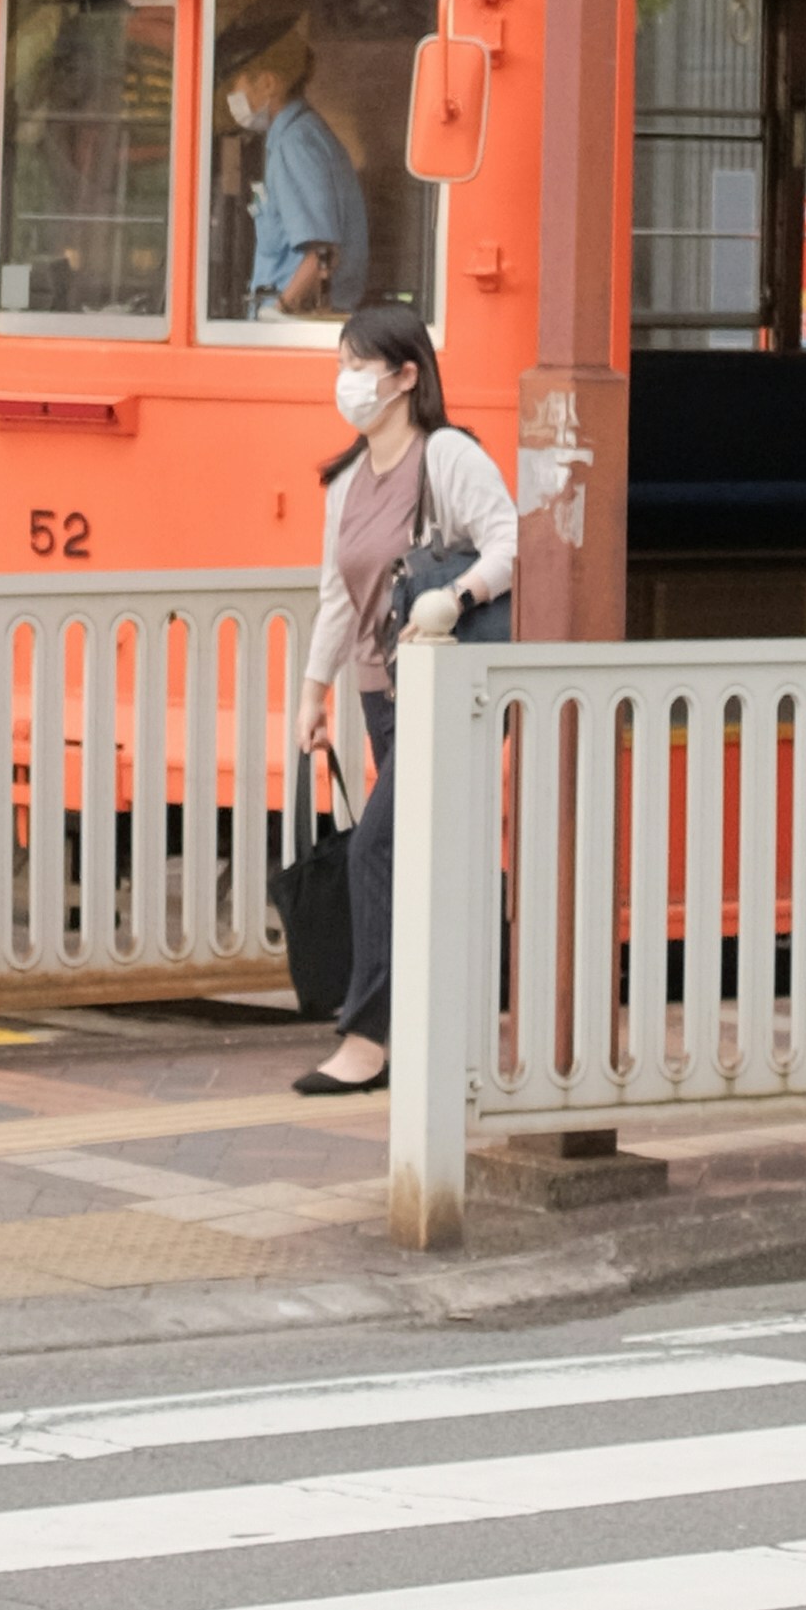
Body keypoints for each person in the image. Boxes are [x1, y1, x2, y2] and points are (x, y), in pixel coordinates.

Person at [289, 305, 516, 1096]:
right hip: (378, 693)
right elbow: (335, 594)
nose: (347, 382)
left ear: (405, 375)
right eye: (342, 366)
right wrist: (312, 692)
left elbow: (510, 544)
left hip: (443, 689)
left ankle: (368, 1041)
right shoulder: (346, 481)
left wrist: (456, 596)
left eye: (359, 367)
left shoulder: (445, 456)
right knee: (425, 855)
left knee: (375, 849)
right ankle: (444, 1023)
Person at [223, 29, 369, 318]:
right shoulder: (300, 136)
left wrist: (278, 313)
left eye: (235, 85)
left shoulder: (295, 144)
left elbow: (322, 253)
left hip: (293, 324)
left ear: (268, 83)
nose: (232, 97)